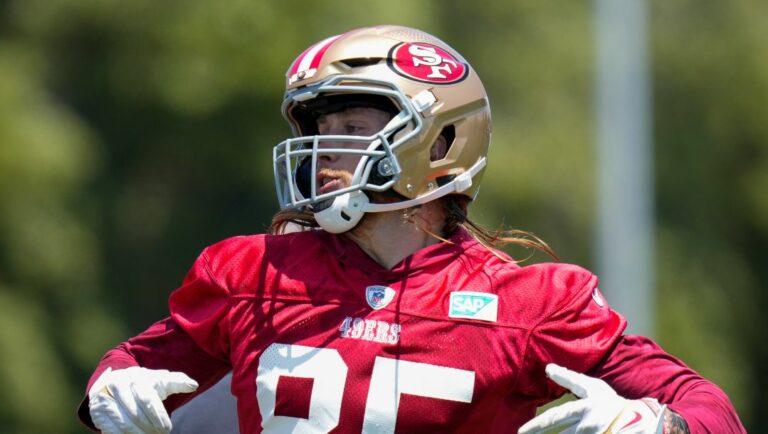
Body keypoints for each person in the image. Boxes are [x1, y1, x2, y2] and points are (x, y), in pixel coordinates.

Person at [79, 24, 746, 434]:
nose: (325, 150)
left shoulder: (532, 306)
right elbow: (128, 370)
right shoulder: (251, 275)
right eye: (320, 130)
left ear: (440, 140)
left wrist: (663, 424)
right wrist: (113, 385)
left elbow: (711, 409)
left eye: (350, 129)